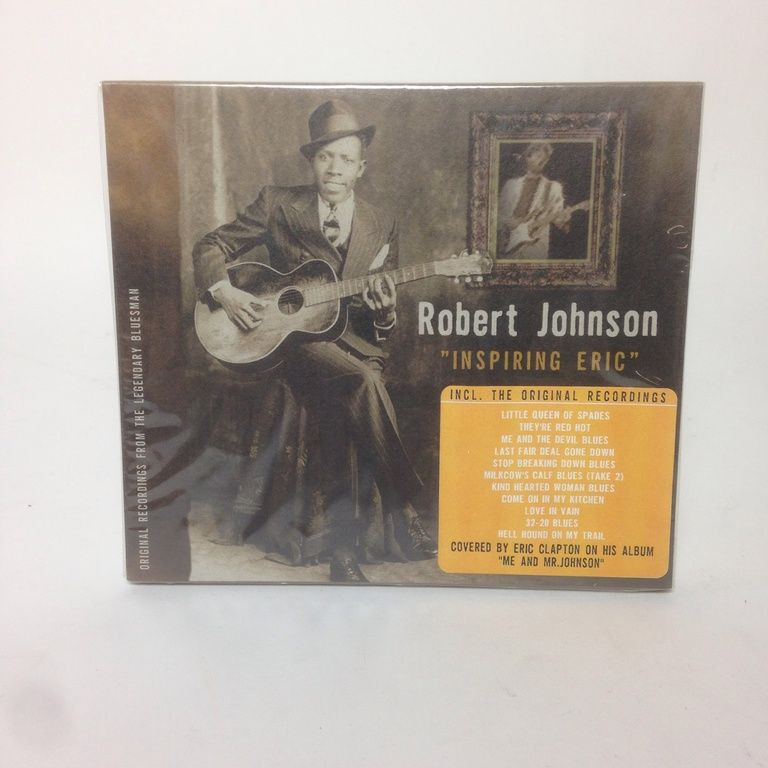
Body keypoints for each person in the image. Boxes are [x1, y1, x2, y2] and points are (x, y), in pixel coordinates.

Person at [192, 99, 437, 582]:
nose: (335, 168)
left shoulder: (381, 223)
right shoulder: (277, 203)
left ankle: (344, 551)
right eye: (326, 157)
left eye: (346, 159)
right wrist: (227, 292)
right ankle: (405, 503)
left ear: (361, 167)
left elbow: (379, 317)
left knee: (354, 383)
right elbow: (210, 246)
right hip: (289, 343)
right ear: (312, 161)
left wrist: (385, 311)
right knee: (362, 383)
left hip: (354, 345)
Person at [497, 142, 573, 261]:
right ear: (528, 157)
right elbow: (497, 216)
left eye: (546, 158)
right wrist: (509, 222)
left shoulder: (554, 187)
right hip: (508, 243)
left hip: (535, 247)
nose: (542, 160)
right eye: (538, 156)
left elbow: (560, 223)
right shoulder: (510, 185)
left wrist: (565, 220)